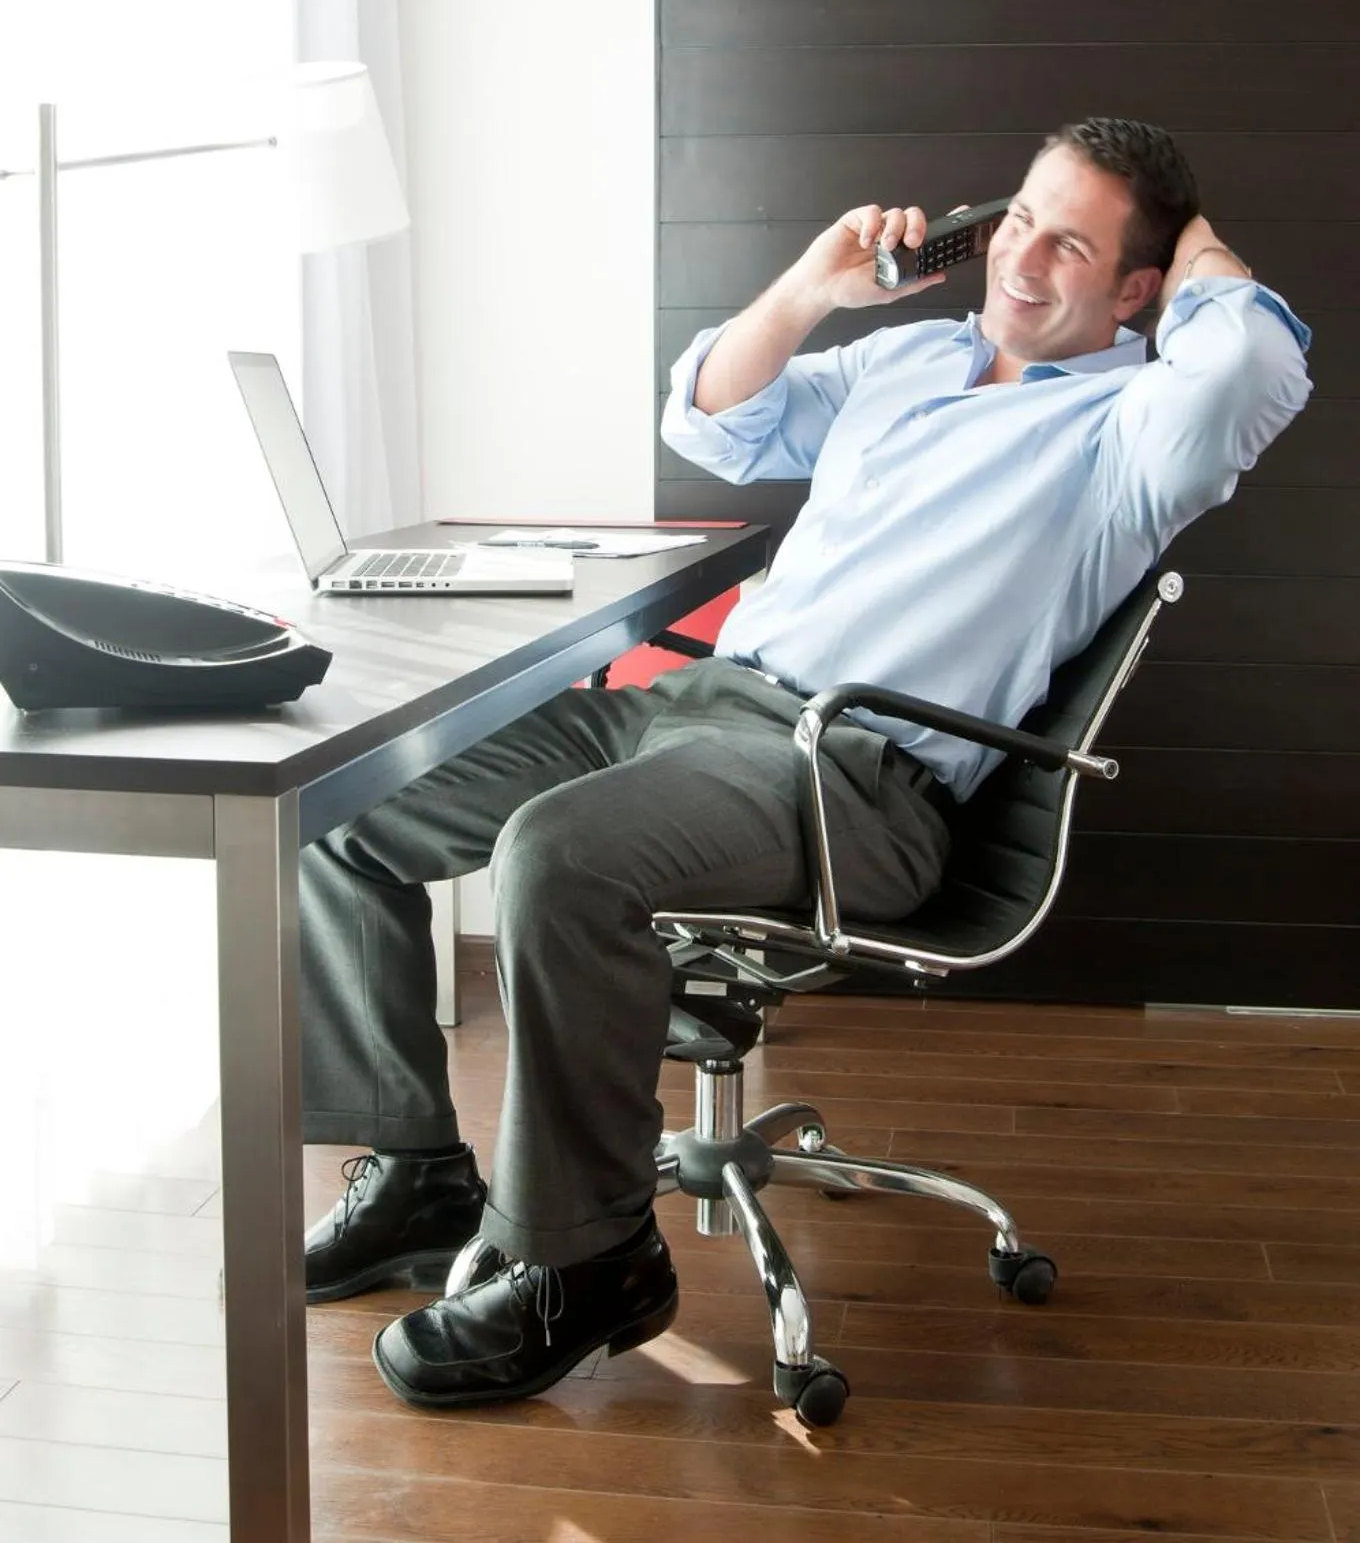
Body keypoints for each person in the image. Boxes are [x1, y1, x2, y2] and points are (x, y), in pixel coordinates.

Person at [300, 116, 1310, 1410]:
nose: (1021, 257)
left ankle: (586, 1262)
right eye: (1017, 218)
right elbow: (718, 420)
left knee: (554, 855)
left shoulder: (1133, 433)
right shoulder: (917, 356)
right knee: (345, 798)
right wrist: (812, 287)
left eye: (1071, 243)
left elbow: (1249, 373)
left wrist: (1208, 255)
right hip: (702, 710)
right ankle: (415, 1171)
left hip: (850, 773)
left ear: (1138, 290)